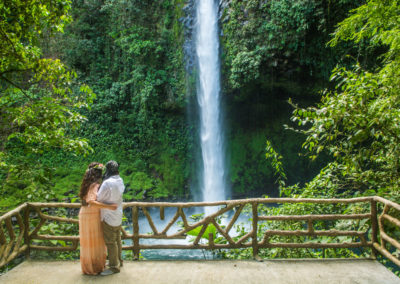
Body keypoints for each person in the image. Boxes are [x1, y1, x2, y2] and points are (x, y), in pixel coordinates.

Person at [79, 162, 118, 275]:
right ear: (98, 174)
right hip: (92, 214)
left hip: (85, 213)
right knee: (95, 241)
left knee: (88, 242)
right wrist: (109, 207)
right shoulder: (94, 185)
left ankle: (89, 266)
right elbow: (91, 201)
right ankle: (94, 267)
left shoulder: (86, 184)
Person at [97, 160, 125, 276]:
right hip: (118, 214)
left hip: (108, 215)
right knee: (117, 240)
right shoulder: (120, 180)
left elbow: (99, 198)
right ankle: (119, 261)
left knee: (110, 242)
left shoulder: (107, 183)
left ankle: (114, 267)